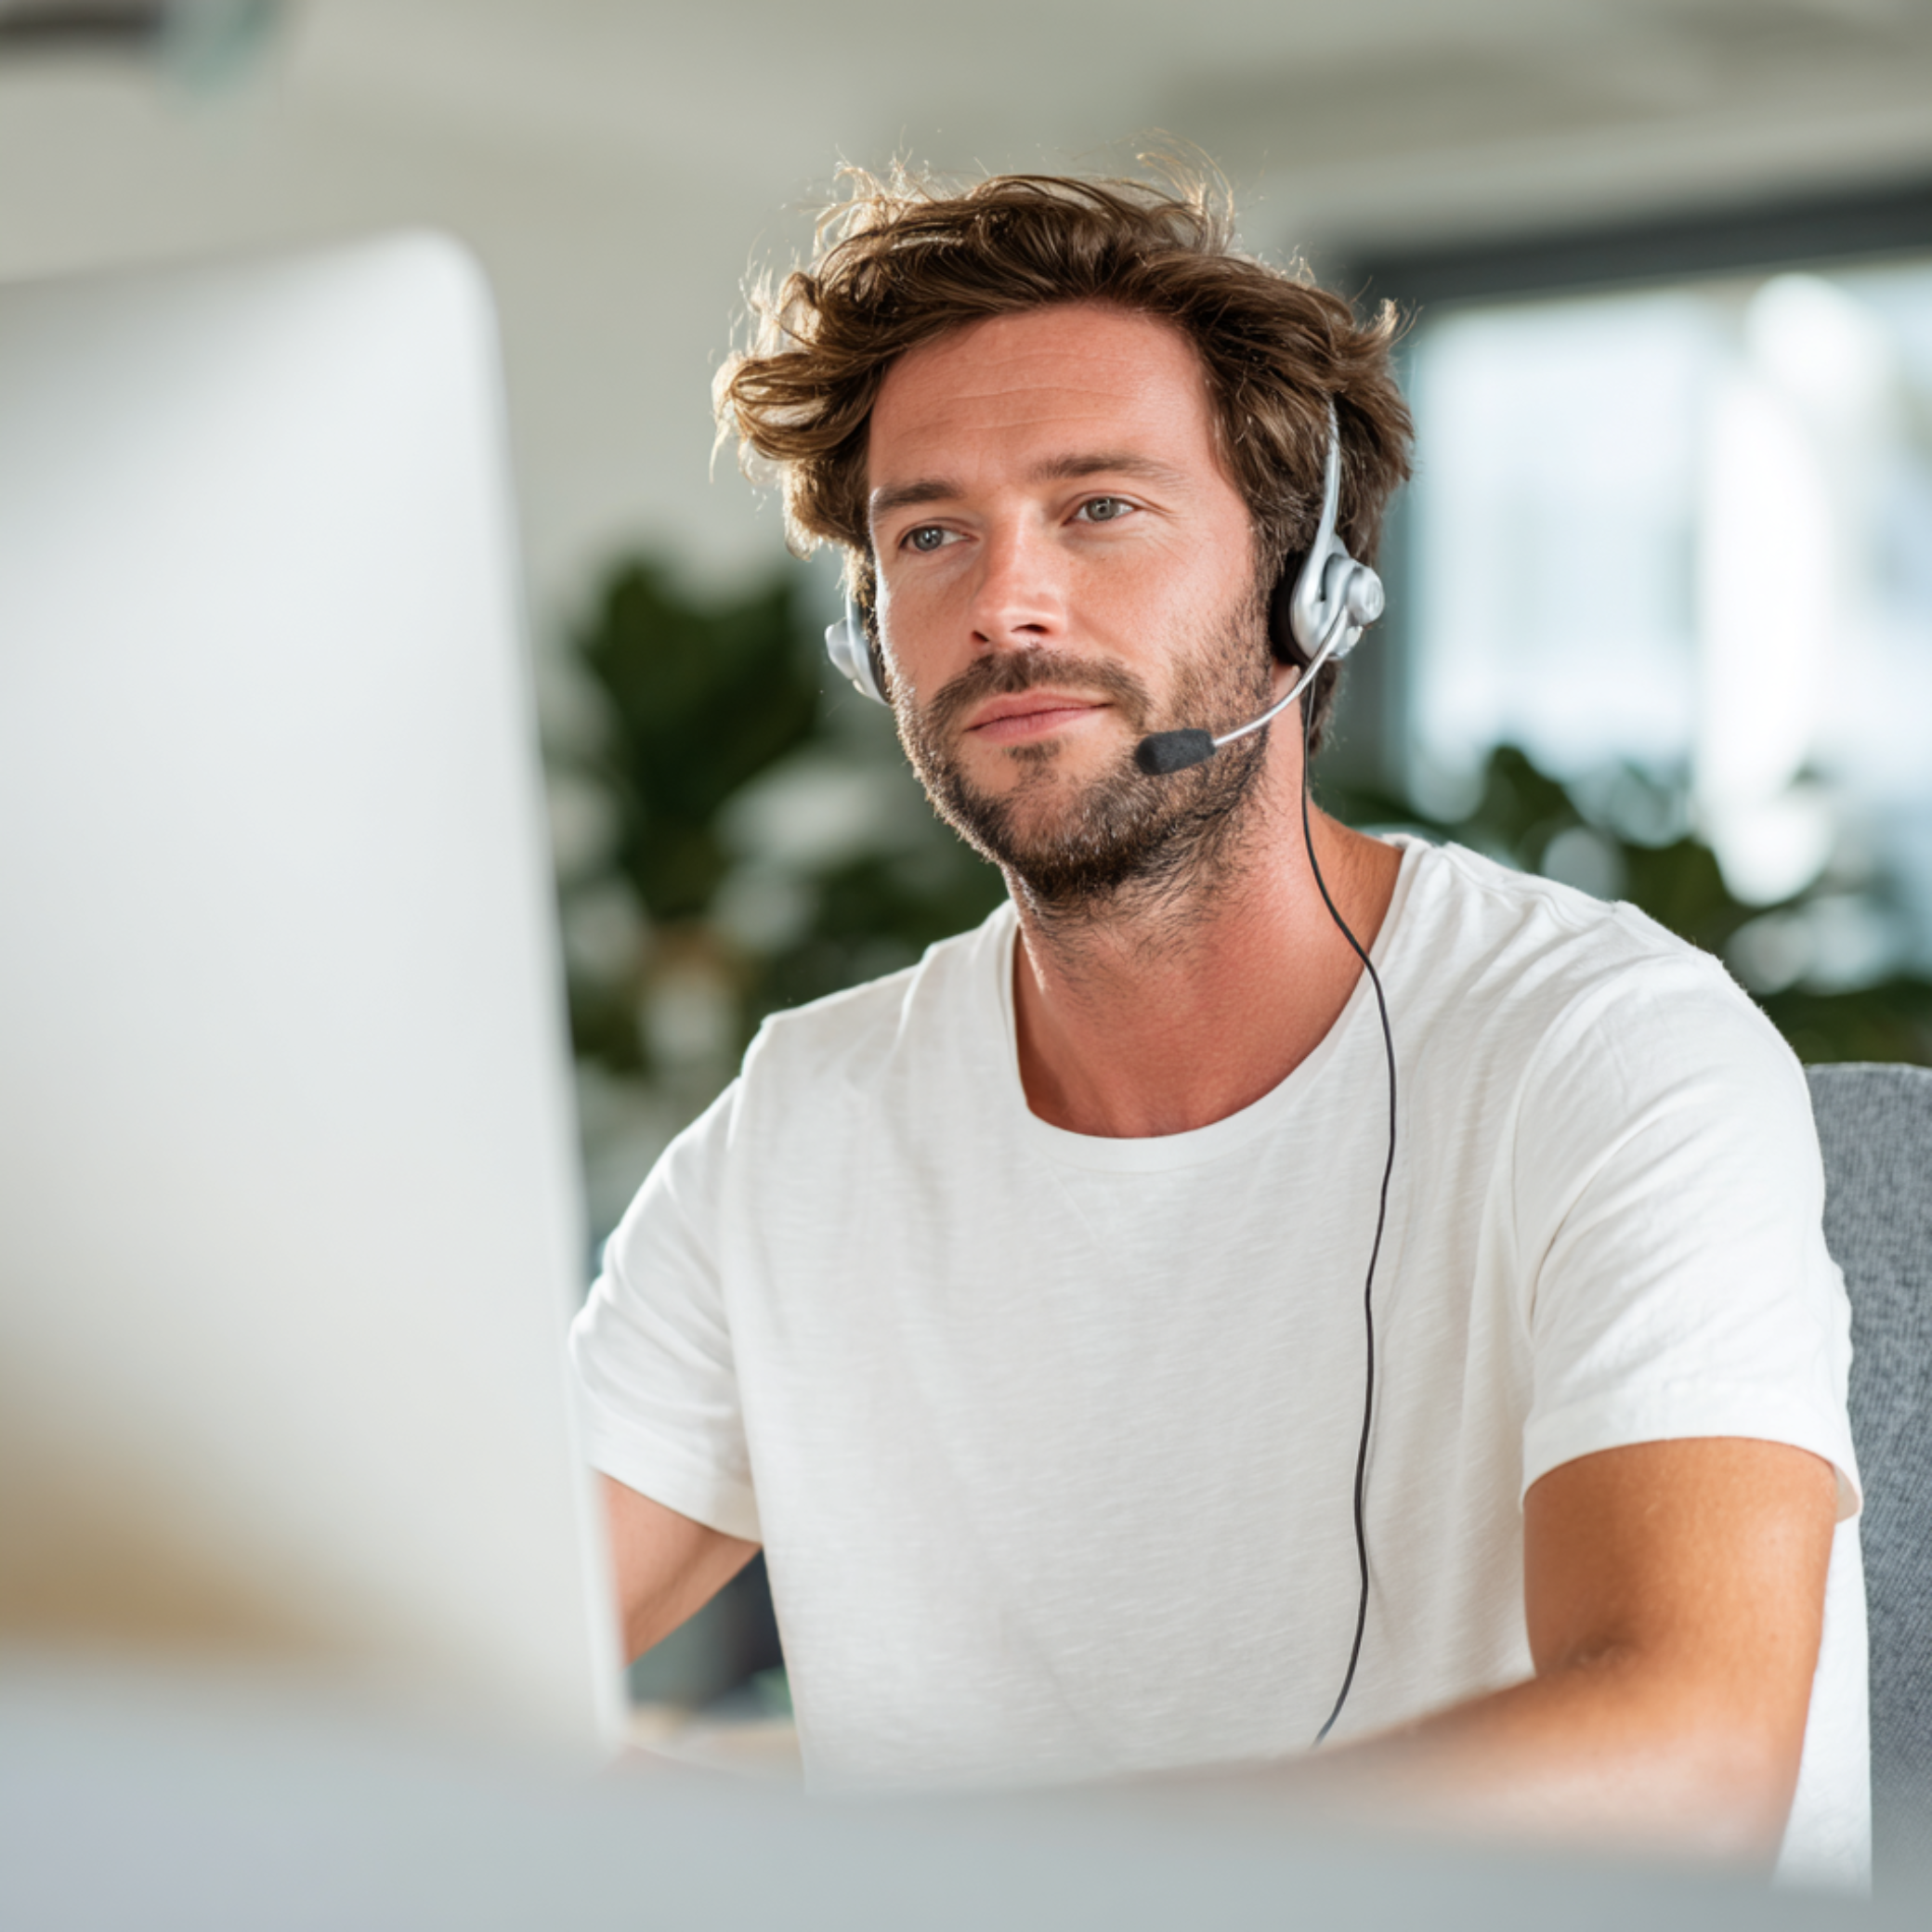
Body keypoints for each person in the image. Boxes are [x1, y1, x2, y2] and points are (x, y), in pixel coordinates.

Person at [569, 166, 1865, 1886]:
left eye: (1099, 508)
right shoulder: (803, 1122)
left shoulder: (1608, 1053)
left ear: (1307, 583)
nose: (1007, 603)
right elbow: (440, 1646)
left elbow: (1686, 1767)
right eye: (930, 534)